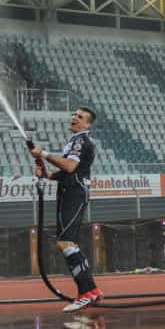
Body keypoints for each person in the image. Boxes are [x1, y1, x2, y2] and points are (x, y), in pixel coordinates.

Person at [29, 108, 104, 311]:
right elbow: (66, 172)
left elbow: (70, 167)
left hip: (74, 194)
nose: (74, 117)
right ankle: (92, 291)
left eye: (80, 117)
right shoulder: (74, 141)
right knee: (68, 243)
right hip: (69, 192)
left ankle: (86, 292)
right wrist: (46, 175)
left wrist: (43, 153)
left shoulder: (81, 141)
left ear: (87, 124)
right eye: (74, 114)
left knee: (66, 243)